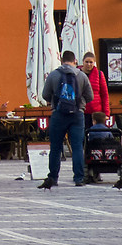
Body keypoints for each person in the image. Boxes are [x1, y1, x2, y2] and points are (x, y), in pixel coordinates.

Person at [43, 48, 91, 189]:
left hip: (58, 114)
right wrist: (79, 102)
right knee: (77, 147)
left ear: (62, 60)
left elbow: (45, 95)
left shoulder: (53, 75)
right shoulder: (82, 76)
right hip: (77, 114)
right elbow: (90, 96)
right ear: (75, 61)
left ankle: (53, 177)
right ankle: (79, 178)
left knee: (56, 147)